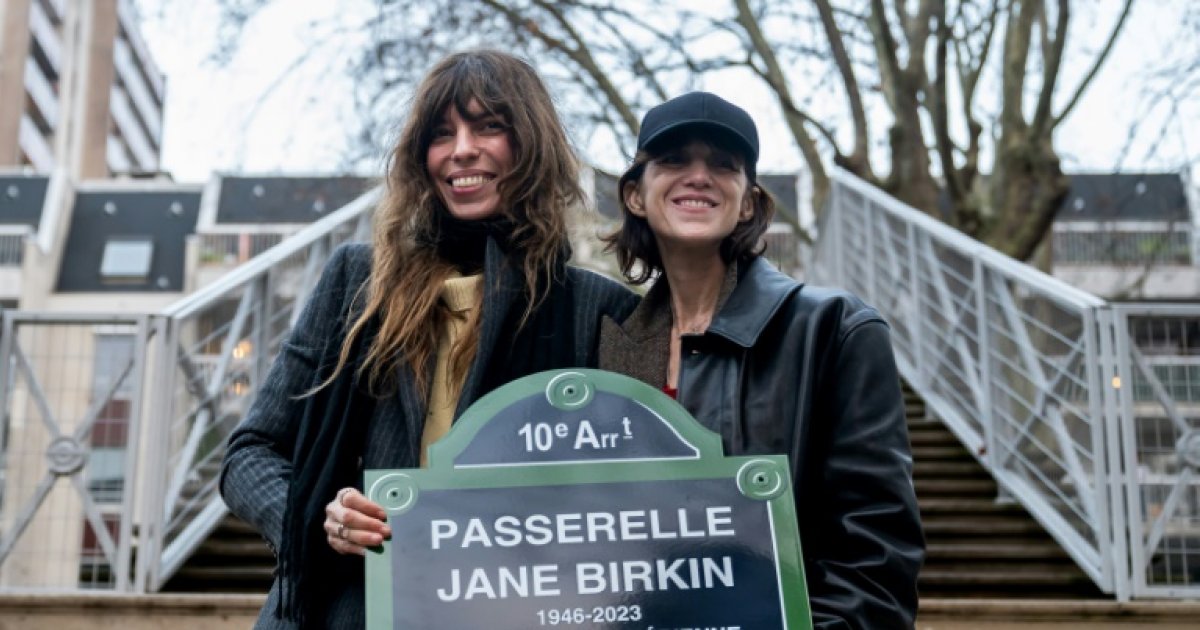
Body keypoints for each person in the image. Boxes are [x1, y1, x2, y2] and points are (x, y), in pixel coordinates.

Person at [220, 50, 638, 628]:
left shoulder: (599, 310)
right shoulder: (357, 282)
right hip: (348, 611)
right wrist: (322, 516)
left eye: (488, 126)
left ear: (532, 146)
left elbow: (631, 496)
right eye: (442, 134)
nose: (461, 149)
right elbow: (249, 452)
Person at [598, 92, 924, 628]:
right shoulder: (603, 348)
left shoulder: (835, 330)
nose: (698, 176)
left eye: (723, 164)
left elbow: (876, 556)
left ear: (747, 202)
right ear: (635, 195)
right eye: (674, 160)